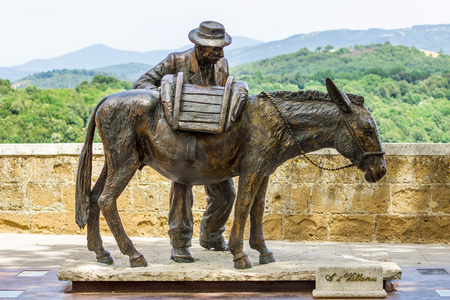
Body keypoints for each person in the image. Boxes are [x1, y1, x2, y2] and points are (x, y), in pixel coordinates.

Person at [133, 21, 236, 263]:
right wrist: (170, 99)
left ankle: (210, 235)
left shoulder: (222, 65)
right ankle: (179, 243)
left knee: (226, 192)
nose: (221, 53)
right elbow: (142, 85)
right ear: (200, 47)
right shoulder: (175, 61)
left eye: (222, 48)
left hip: (212, 141)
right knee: (182, 188)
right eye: (215, 48)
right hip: (182, 141)